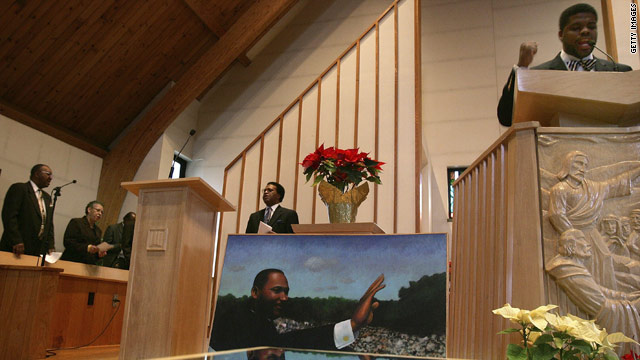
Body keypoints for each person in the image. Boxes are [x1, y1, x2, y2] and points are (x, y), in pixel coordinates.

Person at [497, 3, 633, 126]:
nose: (586, 31)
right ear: (561, 34)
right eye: (576, 28)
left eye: (591, 27)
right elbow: (506, 117)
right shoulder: (539, 75)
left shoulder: (620, 71)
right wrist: (522, 68)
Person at [210, 268, 385, 351]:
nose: (284, 298)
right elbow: (291, 342)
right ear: (255, 292)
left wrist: (352, 325)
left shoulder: (257, 319)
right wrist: (352, 324)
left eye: (286, 292)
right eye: (277, 290)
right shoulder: (235, 321)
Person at [548, 151, 640, 291]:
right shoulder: (560, 189)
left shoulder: (593, 188)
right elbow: (557, 215)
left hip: (593, 235)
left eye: (585, 165)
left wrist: (637, 172)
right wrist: (574, 238)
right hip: (574, 237)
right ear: (568, 165)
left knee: (605, 259)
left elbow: (613, 185)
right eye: (578, 163)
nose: (582, 168)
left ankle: (608, 295)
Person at [546, 229, 640, 353]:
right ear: (571, 246)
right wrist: (633, 306)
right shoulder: (567, 270)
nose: (588, 243)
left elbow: (598, 290)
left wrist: (627, 297)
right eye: (582, 239)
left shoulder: (574, 266)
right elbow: (600, 305)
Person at [0, 164, 55, 256]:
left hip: (36, 250)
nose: (50, 178)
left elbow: (49, 223)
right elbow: (9, 216)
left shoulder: (47, 197)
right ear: (37, 174)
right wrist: (16, 240)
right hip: (16, 247)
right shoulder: (19, 188)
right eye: (48, 174)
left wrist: (50, 245)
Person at [60, 200, 106, 264]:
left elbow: (95, 250)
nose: (100, 214)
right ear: (89, 210)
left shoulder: (98, 231)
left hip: (88, 266)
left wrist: (99, 254)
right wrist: (87, 248)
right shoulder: (76, 222)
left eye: (102, 212)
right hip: (72, 261)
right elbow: (68, 242)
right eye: (98, 210)